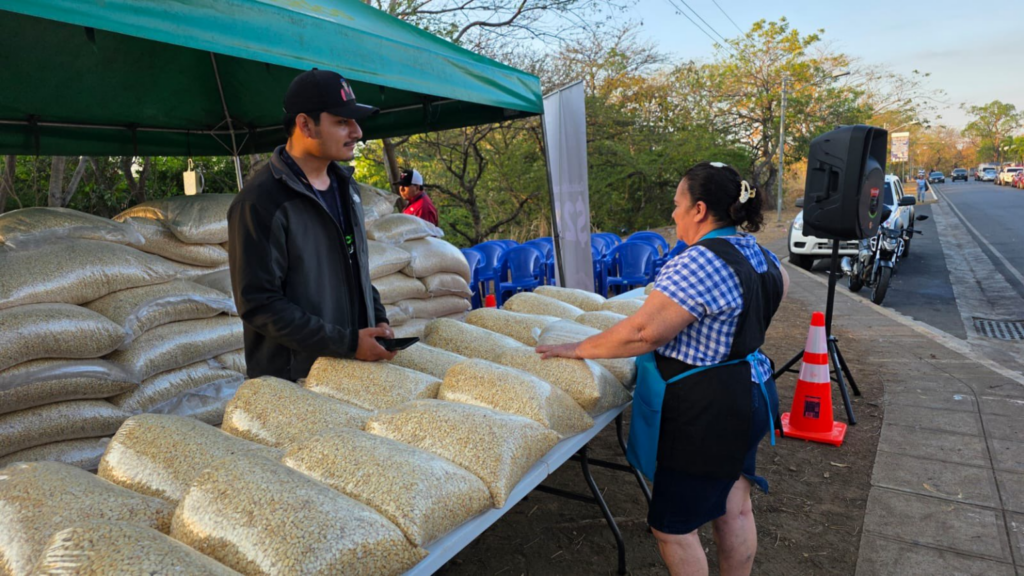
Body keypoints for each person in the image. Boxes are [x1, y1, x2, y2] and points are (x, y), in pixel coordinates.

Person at [537, 161, 790, 576]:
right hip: (752, 387)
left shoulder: (699, 261)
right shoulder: (759, 253)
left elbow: (642, 333)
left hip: (710, 409)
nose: (673, 214)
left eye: (677, 204)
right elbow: (778, 289)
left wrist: (579, 348)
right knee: (735, 509)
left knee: (671, 527)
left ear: (700, 210)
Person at [227, 68, 396, 381]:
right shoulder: (260, 202)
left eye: (354, 121)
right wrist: (347, 343)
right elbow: (259, 303)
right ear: (305, 124)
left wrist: (378, 321)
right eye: (342, 122)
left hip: (349, 372)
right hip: (295, 384)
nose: (357, 132)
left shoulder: (347, 189)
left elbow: (355, 267)